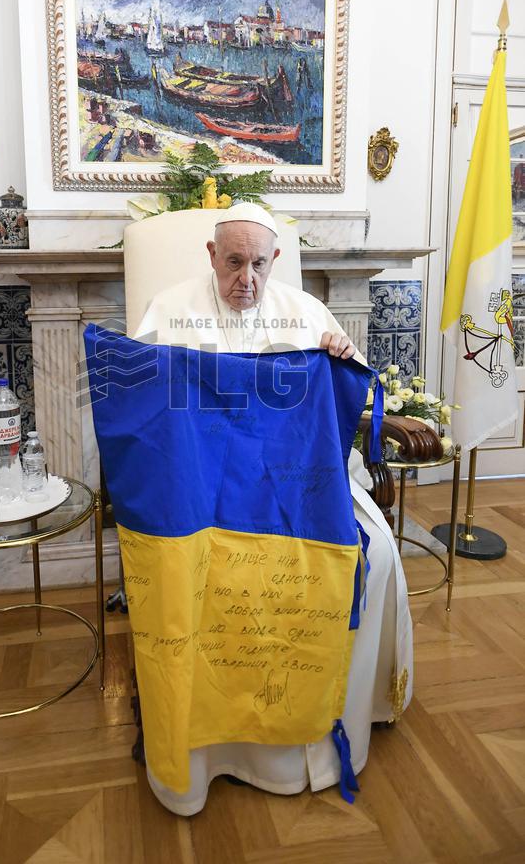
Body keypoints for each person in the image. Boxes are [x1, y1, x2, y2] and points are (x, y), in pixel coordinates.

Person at [133, 202, 413, 816]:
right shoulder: (167, 312)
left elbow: (338, 412)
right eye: (234, 263)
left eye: (259, 264)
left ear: (275, 261)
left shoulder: (306, 313)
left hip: (294, 487)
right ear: (211, 255)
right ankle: (206, 754)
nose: (247, 280)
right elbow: (143, 411)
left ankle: (319, 733)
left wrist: (341, 358)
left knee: (380, 555)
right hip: (200, 498)